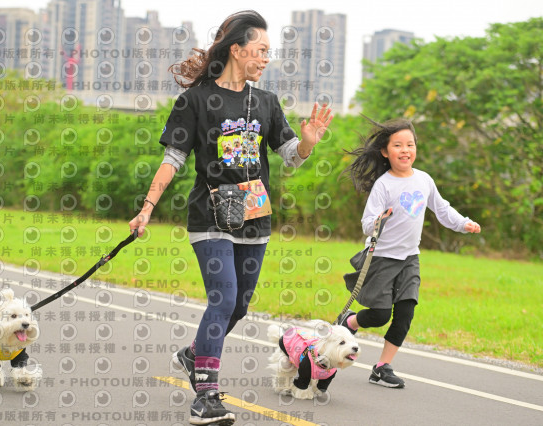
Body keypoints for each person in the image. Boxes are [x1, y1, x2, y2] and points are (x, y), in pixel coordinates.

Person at [128, 10, 333, 425]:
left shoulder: (267, 102)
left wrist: (308, 143)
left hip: (254, 217)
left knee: (238, 306)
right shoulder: (195, 100)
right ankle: (206, 396)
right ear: (237, 50)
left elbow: (290, 155)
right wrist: (147, 207)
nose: (266, 59)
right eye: (261, 50)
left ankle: (194, 355)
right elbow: (173, 158)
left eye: (269, 52)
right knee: (222, 298)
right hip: (210, 216)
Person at [338, 116, 481, 388]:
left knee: (405, 313)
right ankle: (352, 321)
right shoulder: (384, 184)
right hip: (381, 258)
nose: (405, 150)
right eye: (398, 145)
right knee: (380, 315)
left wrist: (463, 223)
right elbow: (367, 224)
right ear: (385, 151)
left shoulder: (424, 180)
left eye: (410, 145)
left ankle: (382, 367)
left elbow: (442, 209)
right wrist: (380, 219)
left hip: (410, 259)